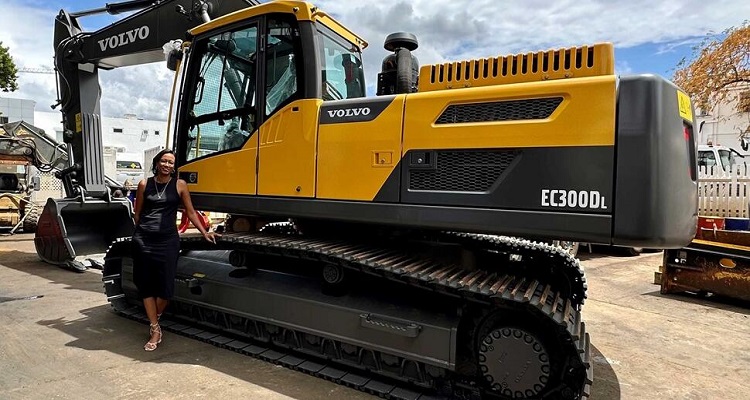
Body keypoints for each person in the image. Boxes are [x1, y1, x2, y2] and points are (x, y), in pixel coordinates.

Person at [132, 149, 219, 351]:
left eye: (171, 162)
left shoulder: (180, 185)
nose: (167, 165)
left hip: (168, 241)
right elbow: (138, 214)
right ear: (157, 163)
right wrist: (144, 232)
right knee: (146, 284)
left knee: (166, 289)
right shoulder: (144, 184)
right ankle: (155, 329)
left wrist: (205, 232)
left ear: (174, 166)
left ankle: (155, 318)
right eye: (164, 161)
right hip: (144, 239)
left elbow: (190, 211)